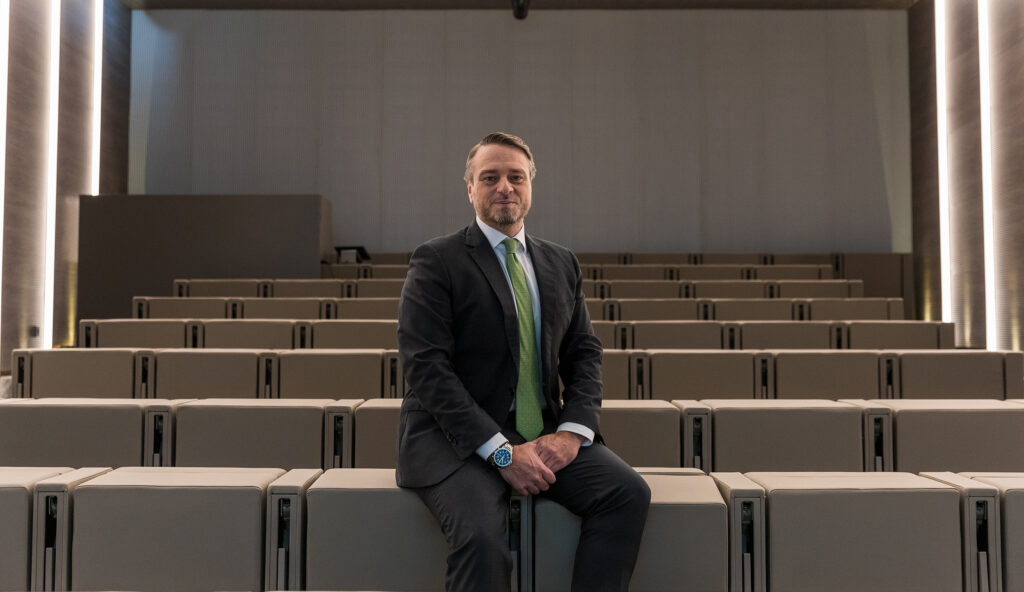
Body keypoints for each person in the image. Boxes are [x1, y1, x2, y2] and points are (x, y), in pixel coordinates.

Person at [396, 132, 651, 592]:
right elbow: (426, 368)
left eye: (516, 177)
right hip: (458, 443)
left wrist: (573, 433)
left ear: (531, 185)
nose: (504, 187)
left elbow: (584, 353)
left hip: (542, 435)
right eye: (489, 177)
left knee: (626, 493)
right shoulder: (436, 260)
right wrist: (499, 451)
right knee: (481, 540)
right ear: (470, 189)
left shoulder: (560, 262)